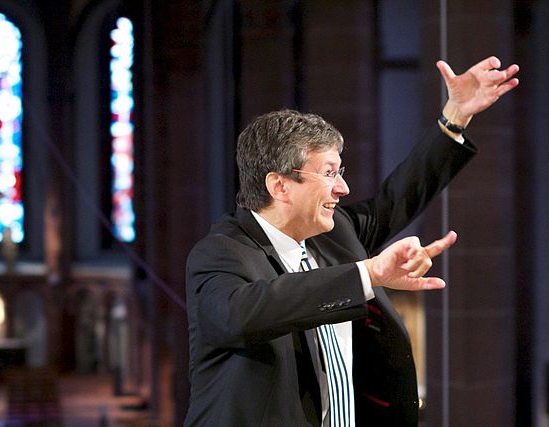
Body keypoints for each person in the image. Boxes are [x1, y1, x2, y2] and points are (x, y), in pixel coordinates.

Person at [184, 56, 519, 427]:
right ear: (279, 185)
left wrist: (454, 116)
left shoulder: (335, 234)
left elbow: (396, 198)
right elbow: (240, 315)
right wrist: (369, 274)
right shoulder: (220, 253)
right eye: (329, 173)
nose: (343, 188)